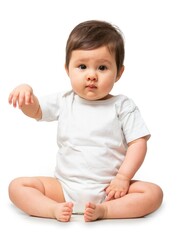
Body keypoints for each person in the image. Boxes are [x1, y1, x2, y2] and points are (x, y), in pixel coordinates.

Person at [8, 20, 163, 222]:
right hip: (63, 188)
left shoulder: (123, 106)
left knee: (153, 193)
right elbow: (36, 110)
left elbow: (138, 143)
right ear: (67, 69)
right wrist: (25, 92)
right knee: (17, 187)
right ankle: (53, 209)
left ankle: (106, 211)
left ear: (119, 72)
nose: (91, 76)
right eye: (82, 66)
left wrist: (123, 178)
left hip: (111, 190)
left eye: (102, 67)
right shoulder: (64, 101)